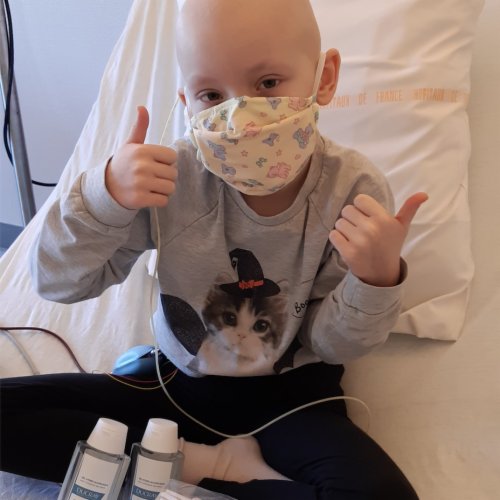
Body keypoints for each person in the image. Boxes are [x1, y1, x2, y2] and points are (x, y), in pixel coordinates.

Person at [0, 0, 426, 498]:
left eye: (268, 83)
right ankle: (201, 464)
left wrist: (374, 281)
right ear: (186, 101)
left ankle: (194, 469)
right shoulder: (170, 178)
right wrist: (103, 197)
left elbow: (333, 345)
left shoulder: (352, 189)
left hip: (294, 400)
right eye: (211, 94)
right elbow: (59, 282)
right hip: (178, 386)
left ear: (324, 78)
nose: (239, 115)